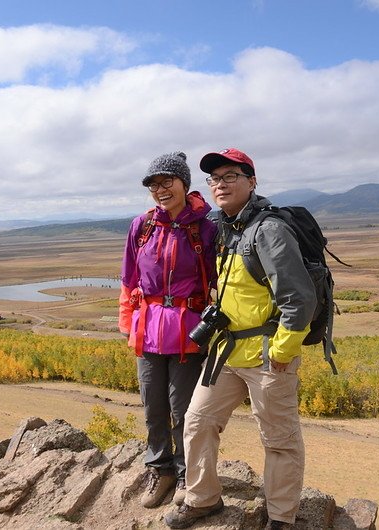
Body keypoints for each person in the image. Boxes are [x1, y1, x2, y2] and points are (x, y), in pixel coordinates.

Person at [164, 148, 317, 530]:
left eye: (230, 176)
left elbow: (299, 298)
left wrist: (283, 350)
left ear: (252, 181)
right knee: (197, 420)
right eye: (214, 179)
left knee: (279, 439)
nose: (220, 184)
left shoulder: (269, 230)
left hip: (269, 354)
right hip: (227, 351)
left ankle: (282, 518)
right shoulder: (225, 227)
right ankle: (202, 499)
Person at [119, 151, 218, 509]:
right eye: (153, 185)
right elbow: (129, 279)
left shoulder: (207, 228)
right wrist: (128, 324)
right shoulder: (141, 226)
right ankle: (159, 469)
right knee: (152, 407)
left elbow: (218, 281)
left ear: (184, 184)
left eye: (167, 182)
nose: (160, 190)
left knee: (184, 409)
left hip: (188, 334)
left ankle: (183, 475)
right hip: (147, 331)